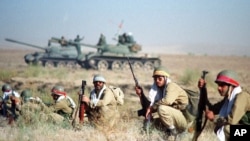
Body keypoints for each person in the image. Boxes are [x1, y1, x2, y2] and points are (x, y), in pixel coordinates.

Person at [135, 66, 189, 140]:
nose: (157, 80)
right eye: (155, 79)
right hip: (173, 118)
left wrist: (151, 108)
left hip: (183, 121)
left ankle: (174, 133)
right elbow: (149, 107)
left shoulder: (171, 86)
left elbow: (167, 101)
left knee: (161, 108)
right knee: (151, 119)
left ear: (165, 78)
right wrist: (141, 95)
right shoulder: (160, 91)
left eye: (160, 78)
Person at [198, 70, 250, 141]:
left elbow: (231, 120)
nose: (219, 88)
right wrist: (203, 89)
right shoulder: (228, 99)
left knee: (227, 128)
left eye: (222, 85)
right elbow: (211, 109)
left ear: (231, 86)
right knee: (220, 128)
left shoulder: (242, 97)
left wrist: (214, 119)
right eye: (218, 85)